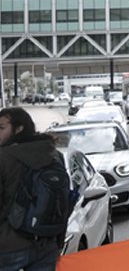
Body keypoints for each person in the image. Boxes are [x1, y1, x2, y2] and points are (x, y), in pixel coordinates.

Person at [0, 107, 68, 271]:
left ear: (19, 129)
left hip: (8, 247)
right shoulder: (54, 154)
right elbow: (63, 201)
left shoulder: (3, 158)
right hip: (47, 243)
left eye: (1, 128)